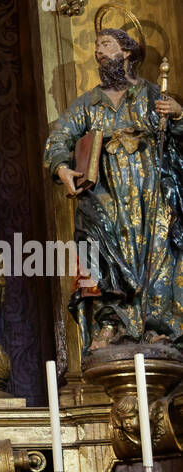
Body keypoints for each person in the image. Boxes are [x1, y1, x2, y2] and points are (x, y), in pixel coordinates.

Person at [45, 25, 183, 350]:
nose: (98, 52)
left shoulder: (152, 95)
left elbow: (177, 139)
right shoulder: (88, 104)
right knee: (100, 248)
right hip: (106, 194)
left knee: (159, 251)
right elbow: (59, 136)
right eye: (96, 47)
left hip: (152, 192)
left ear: (127, 52)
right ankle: (110, 324)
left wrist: (178, 116)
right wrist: (62, 167)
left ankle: (159, 326)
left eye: (106, 45)